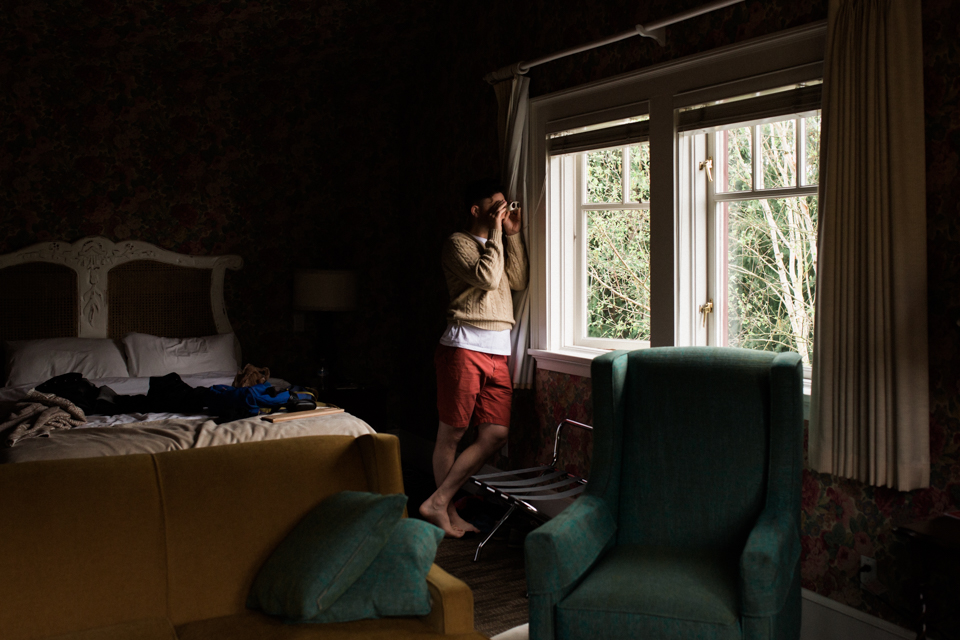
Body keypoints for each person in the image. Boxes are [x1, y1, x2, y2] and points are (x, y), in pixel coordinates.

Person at [419, 178, 529, 538]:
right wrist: (496, 234)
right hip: (463, 346)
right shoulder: (457, 243)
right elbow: (486, 277)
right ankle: (445, 511)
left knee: (496, 433)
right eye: (495, 205)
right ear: (476, 210)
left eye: (505, 204)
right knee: (453, 433)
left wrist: (510, 235)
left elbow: (516, 278)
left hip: (498, 350)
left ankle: (438, 500)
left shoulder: (497, 241)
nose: (502, 209)